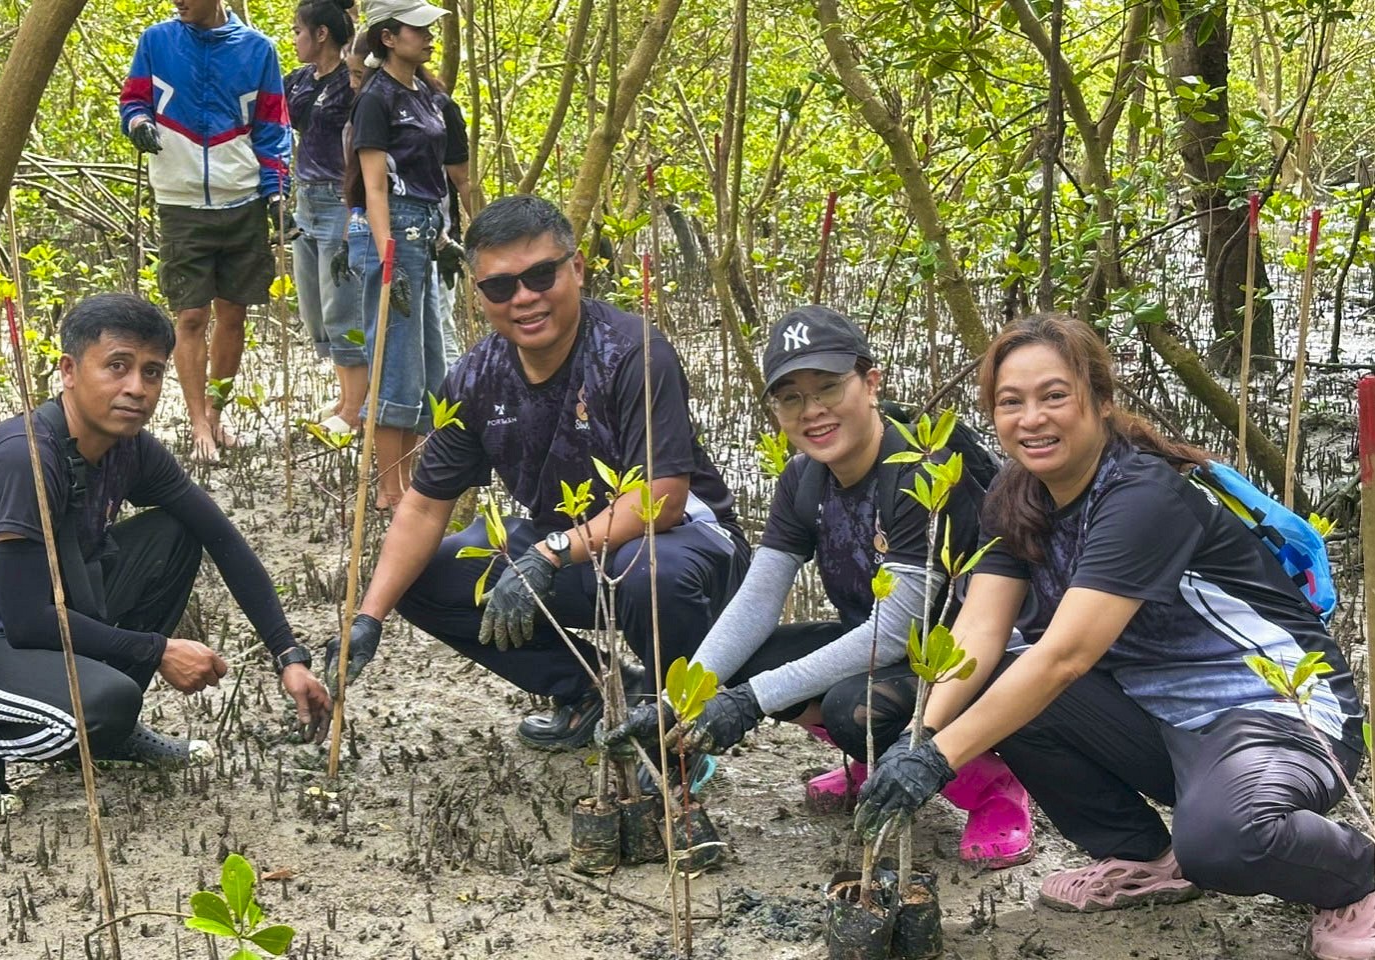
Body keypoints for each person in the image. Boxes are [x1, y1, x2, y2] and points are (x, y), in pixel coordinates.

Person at [855, 314, 1372, 960]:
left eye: (1054, 396)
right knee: (997, 683)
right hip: (1163, 721)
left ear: (1100, 400)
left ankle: (1359, 877)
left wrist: (939, 761)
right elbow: (979, 635)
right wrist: (919, 739)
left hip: (1278, 712)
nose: (1032, 419)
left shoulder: (1142, 492)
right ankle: (1145, 860)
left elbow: (1065, 657)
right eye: (1011, 403)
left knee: (1220, 841)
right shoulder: (1018, 497)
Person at [602, 305, 1034, 868]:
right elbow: (756, 603)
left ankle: (991, 787)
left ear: (871, 382)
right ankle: (875, 763)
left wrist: (750, 704)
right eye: (791, 398)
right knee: (751, 662)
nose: (813, 411)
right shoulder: (804, 479)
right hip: (887, 651)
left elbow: (898, 629)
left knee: (851, 706)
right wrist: (678, 702)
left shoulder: (919, 471)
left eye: (828, 388)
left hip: (966, 662)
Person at [0, 294, 330, 818]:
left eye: (152, 372)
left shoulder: (130, 448)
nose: (137, 388)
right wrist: (157, 649)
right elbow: (27, 622)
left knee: (176, 532)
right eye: (117, 366)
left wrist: (288, 657)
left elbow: (221, 538)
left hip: (28, 626)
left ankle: (106, 734)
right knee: (108, 702)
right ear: (69, 370)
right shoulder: (25, 457)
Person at [326, 195, 749, 750]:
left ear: (576, 269)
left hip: (682, 545)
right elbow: (427, 504)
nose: (524, 298)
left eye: (541, 275)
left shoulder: (633, 353)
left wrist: (549, 553)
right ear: (478, 295)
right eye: (501, 287)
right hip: (567, 546)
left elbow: (661, 500)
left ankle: (675, 726)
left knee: (652, 573)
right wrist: (369, 618)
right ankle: (593, 692)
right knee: (423, 579)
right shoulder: (475, 376)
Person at [119, 0, 292, 463]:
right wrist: (138, 123)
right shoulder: (156, 41)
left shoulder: (259, 50)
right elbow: (133, 100)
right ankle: (197, 421)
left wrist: (278, 191)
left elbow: (273, 126)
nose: (177, 2)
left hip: (243, 198)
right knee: (191, 316)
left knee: (234, 314)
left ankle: (217, 412)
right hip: (179, 199)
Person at [346, 0, 461, 506]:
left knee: (428, 365)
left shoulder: (424, 94)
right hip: (393, 232)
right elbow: (373, 185)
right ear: (388, 37)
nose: (429, 36)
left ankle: (407, 482)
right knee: (396, 363)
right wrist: (385, 246)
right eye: (418, 29)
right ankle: (389, 490)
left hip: (424, 233)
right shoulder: (376, 98)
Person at [287, 0, 368, 435]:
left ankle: (355, 408)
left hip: (340, 199)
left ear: (321, 34)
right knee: (315, 308)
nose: (294, 39)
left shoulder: (351, 81)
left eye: (299, 30)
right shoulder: (298, 81)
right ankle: (345, 396)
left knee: (343, 304)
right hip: (305, 200)